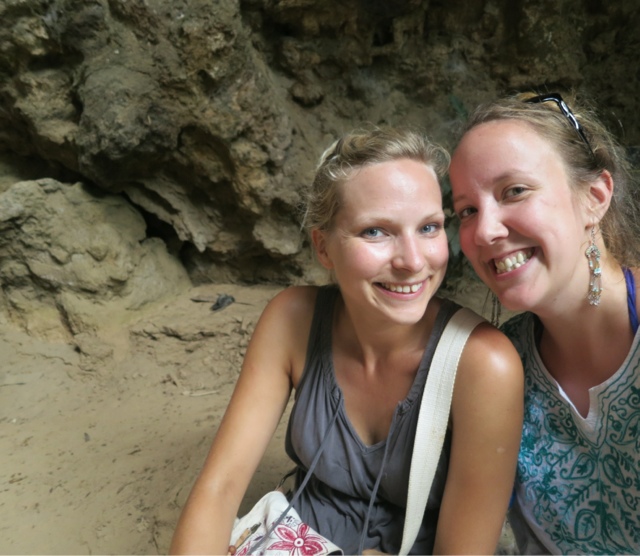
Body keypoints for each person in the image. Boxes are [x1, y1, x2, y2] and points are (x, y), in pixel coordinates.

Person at [170, 127, 523, 555]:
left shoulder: (483, 364)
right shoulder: (293, 320)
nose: (413, 261)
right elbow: (220, 487)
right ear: (323, 247)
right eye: (375, 231)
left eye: (429, 227)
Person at [449, 91, 640, 555]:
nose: (485, 231)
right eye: (467, 210)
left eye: (514, 191)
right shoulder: (499, 366)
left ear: (595, 197)